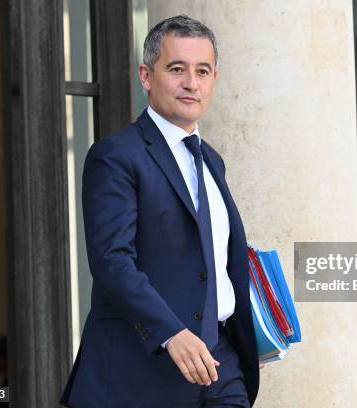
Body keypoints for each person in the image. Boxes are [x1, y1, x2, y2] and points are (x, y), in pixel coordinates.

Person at [61, 15, 259, 407]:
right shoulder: (116, 156)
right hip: (143, 374)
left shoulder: (212, 162)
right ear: (146, 76)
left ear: (214, 79)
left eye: (202, 71)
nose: (191, 83)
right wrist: (172, 333)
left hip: (221, 364)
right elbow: (112, 261)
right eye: (176, 69)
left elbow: (213, 262)